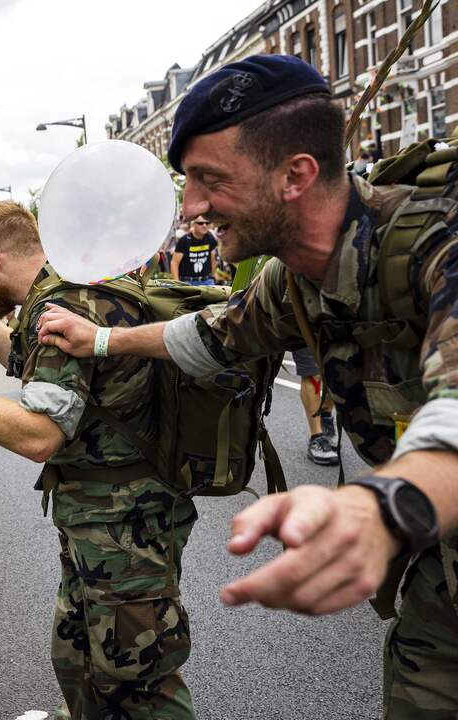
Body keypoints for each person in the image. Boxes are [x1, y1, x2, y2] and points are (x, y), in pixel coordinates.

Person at [37, 54, 458, 718]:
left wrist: (384, 507)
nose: (191, 208)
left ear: (295, 175)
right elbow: (210, 336)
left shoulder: (437, 239)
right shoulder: (289, 281)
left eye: (207, 181)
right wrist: (105, 340)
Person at [0, 201, 195, 719]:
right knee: (78, 661)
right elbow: (33, 359)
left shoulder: (62, 303)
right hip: (102, 524)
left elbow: (39, 436)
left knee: (139, 684)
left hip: (124, 528)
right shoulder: (62, 288)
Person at [292, 348, 337, 465]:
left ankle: (325, 419)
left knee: (335, 370)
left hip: (333, 329)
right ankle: (316, 436)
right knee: (312, 373)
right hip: (304, 331)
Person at [171, 215, 218, 285]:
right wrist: (177, 283)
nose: (204, 225)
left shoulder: (210, 238)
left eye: (207, 223)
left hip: (207, 280)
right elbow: (174, 263)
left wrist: (213, 277)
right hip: (188, 281)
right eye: (200, 223)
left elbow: (214, 259)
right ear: (193, 224)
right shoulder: (184, 240)